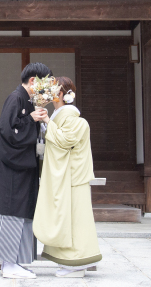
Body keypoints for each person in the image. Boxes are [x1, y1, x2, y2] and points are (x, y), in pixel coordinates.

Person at [0, 62, 51, 280]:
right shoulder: (16, 98)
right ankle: (9, 264)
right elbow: (7, 131)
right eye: (44, 85)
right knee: (10, 211)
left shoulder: (26, 100)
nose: (45, 91)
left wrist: (38, 120)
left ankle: (13, 261)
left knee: (18, 211)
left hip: (20, 167)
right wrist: (31, 119)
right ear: (33, 81)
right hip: (12, 170)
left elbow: (22, 128)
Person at [33, 76, 102, 277]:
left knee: (76, 221)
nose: (48, 94)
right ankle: (67, 262)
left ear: (61, 95)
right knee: (66, 220)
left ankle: (77, 264)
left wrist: (46, 121)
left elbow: (64, 141)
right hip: (66, 177)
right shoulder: (61, 118)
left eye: (52, 90)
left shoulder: (73, 120)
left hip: (73, 178)